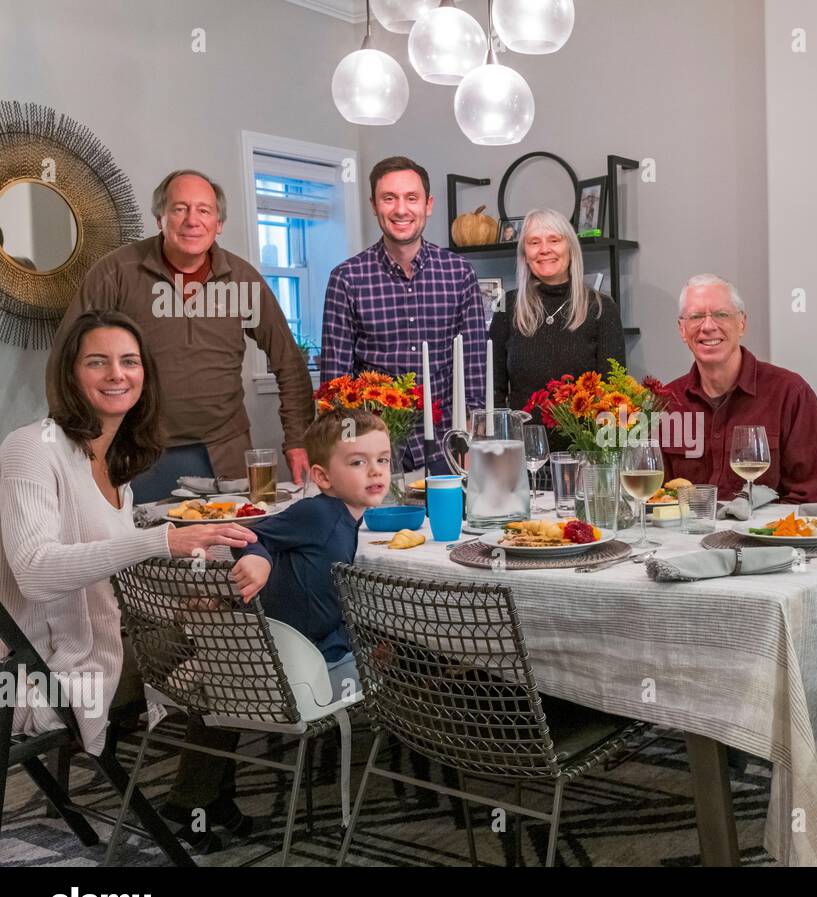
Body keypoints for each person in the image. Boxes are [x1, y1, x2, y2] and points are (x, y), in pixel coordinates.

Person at [0, 311, 257, 755]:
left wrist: (187, 598)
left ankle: (198, 799)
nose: (117, 374)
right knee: (238, 644)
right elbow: (35, 574)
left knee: (237, 624)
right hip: (44, 669)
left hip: (113, 636)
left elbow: (113, 578)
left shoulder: (115, 466)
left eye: (129, 361)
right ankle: (198, 800)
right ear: (69, 374)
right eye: (97, 362)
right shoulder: (31, 448)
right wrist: (163, 540)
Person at [54, 170, 314, 502]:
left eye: (204, 210)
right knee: (140, 548)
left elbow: (289, 363)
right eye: (179, 209)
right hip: (134, 448)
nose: (193, 220)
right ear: (160, 217)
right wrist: (75, 443)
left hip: (225, 450)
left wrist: (297, 440)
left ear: (218, 223)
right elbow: (66, 357)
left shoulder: (243, 279)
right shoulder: (117, 272)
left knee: (231, 546)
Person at [320, 156, 486, 473]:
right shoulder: (347, 279)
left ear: (428, 204)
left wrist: (471, 443)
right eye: (389, 198)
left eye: (412, 198)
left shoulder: (459, 273)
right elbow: (336, 386)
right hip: (374, 452)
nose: (401, 209)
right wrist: (346, 452)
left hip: (447, 450)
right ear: (373, 205)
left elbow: (474, 369)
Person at [229, 408, 391, 701]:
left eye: (383, 460)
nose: (376, 471)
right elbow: (249, 535)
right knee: (413, 668)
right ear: (322, 476)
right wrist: (258, 557)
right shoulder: (316, 512)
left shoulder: (345, 515)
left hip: (312, 654)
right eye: (358, 462)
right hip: (304, 670)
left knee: (391, 649)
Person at [661, 273, 817, 503]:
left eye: (721, 314)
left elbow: (812, 499)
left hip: (767, 537)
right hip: (684, 536)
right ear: (682, 329)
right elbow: (656, 499)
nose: (708, 326)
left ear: (742, 323)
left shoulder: (791, 394)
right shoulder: (666, 402)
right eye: (696, 317)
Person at [490, 208, 625, 417]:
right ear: (525, 255)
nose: (544, 249)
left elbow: (613, 391)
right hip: (522, 444)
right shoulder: (506, 307)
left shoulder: (601, 308)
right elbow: (493, 390)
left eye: (554, 240)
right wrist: (500, 439)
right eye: (534, 242)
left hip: (584, 445)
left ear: (570, 249)